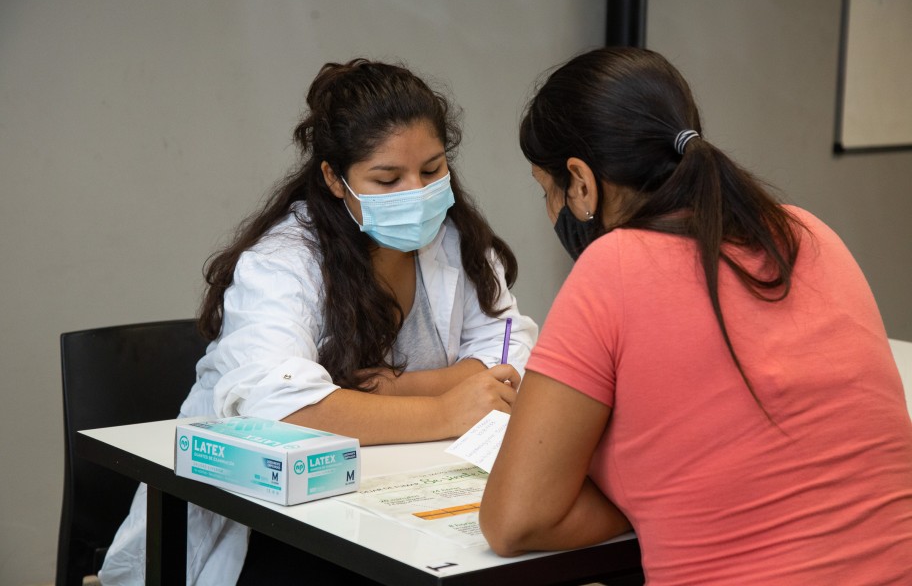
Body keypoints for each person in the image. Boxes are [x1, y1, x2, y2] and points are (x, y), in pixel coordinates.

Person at [479, 47, 912, 585]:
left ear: (582, 183)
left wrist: (649, 489)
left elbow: (513, 521)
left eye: (549, 192)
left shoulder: (612, 267)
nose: (551, 211)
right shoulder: (808, 233)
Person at [99, 58, 537, 586]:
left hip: (405, 496)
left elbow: (510, 354)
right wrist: (445, 409)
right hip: (277, 518)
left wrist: (393, 390)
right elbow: (283, 408)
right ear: (334, 177)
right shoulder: (284, 261)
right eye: (387, 178)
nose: (416, 193)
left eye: (432, 170)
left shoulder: (458, 242)